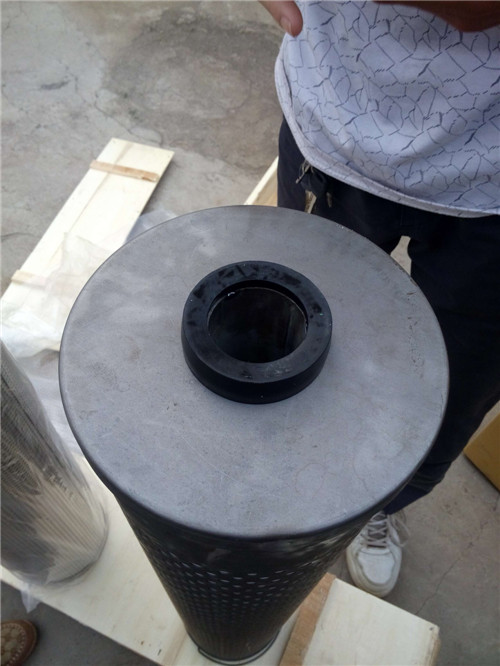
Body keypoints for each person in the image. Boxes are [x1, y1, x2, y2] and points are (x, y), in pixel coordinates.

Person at [261, 0, 500, 597]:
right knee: (286, 351)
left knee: (447, 397)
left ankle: (372, 505)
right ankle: (286, 480)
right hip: (338, 116)